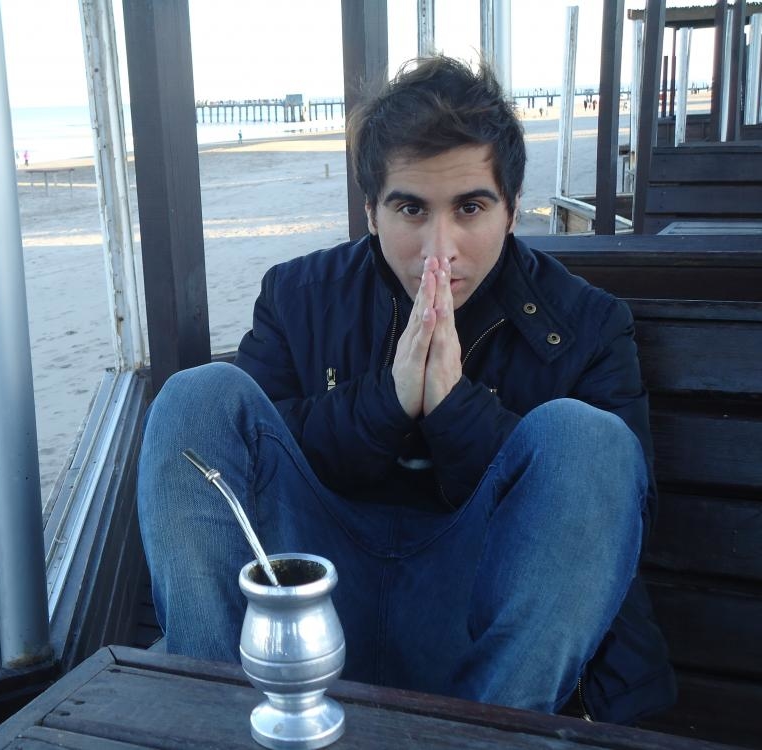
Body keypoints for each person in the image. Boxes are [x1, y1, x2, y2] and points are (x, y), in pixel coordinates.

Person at [137, 55, 676, 724]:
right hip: (316, 599)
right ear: (371, 211)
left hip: (478, 624)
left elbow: (608, 516)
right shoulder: (298, 296)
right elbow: (249, 455)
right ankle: (216, 720)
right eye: (411, 209)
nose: (438, 250)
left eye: (470, 207)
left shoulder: (588, 325)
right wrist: (385, 403)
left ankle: (484, 737)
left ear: (512, 209)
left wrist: (454, 409)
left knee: (591, 439)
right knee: (195, 397)